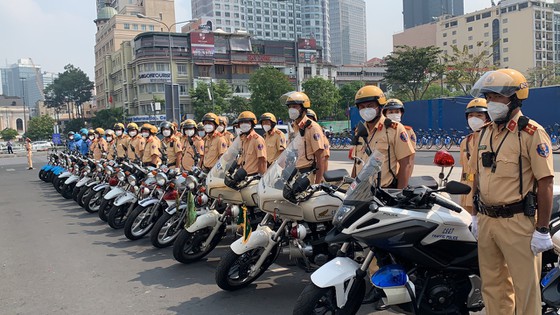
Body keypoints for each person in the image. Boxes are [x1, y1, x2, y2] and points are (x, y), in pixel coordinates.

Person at [470, 68, 554, 315]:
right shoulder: (485, 133)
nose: (492, 103)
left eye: (497, 97)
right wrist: (475, 215)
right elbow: (477, 177)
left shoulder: (531, 133)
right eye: (489, 97)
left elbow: (545, 182)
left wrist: (542, 229)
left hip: (517, 221)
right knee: (493, 286)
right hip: (487, 221)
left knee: (525, 287)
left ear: (516, 98)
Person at [351, 86, 415, 188]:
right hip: (361, 192)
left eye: (370, 106)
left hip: (384, 192)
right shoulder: (359, 131)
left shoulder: (394, 129)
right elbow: (356, 164)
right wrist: (350, 189)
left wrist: (399, 194)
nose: (365, 110)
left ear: (380, 106)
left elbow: (406, 164)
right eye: (362, 107)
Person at [285, 91, 326, 184]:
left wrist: (317, 183)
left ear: (303, 108)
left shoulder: (312, 128)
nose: (291, 109)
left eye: (295, 107)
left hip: (309, 174)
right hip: (295, 173)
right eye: (290, 107)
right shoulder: (294, 128)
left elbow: (320, 157)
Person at [459, 98, 489, 215]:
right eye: (471, 115)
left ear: (487, 117)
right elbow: (464, 170)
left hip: (483, 195)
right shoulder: (465, 142)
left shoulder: (492, 141)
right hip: (466, 194)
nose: (474, 119)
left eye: (479, 115)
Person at [237, 111, 267, 175]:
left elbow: (262, 160)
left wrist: (261, 177)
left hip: (253, 176)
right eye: (241, 122)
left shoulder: (257, 140)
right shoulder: (243, 139)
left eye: (246, 122)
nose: (243, 124)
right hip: (243, 176)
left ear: (252, 123)